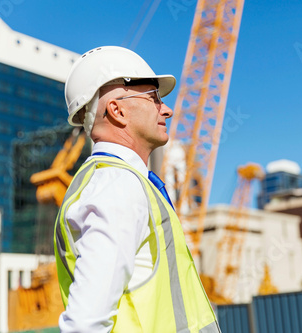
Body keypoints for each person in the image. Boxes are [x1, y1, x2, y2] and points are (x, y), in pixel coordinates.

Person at [54, 46, 221, 332]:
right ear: (117, 110)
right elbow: (85, 324)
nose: (166, 109)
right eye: (154, 98)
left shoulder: (119, 181)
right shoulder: (118, 185)